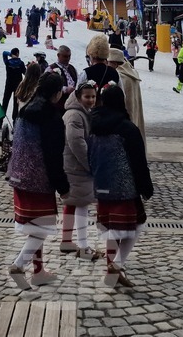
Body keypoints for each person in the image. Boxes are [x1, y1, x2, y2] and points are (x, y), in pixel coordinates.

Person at [6, 72, 69, 290]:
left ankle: (39, 270)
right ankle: (19, 264)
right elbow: (54, 156)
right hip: (39, 181)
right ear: (58, 93)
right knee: (41, 229)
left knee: (35, 226)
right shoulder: (52, 119)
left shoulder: (24, 112)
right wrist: (63, 187)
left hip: (18, 176)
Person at [90, 85, 154, 287]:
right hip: (125, 187)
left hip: (101, 184)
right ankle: (116, 265)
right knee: (135, 226)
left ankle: (112, 274)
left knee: (111, 229)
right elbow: (138, 161)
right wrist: (146, 187)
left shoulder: (94, 125)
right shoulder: (127, 128)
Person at [60, 82, 100, 259]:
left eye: (93, 96)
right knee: (82, 205)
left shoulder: (82, 112)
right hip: (77, 167)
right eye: (87, 97)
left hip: (75, 166)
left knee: (72, 203)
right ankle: (83, 247)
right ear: (78, 97)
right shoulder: (75, 115)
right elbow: (77, 143)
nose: (91, 100)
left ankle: (67, 240)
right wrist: (91, 164)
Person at [109, 48, 146, 144]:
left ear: (115, 63)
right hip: (134, 113)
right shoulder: (132, 73)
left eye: (108, 62)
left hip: (125, 118)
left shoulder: (120, 76)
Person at [2, 47, 26, 114]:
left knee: (5, 101)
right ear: (18, 53)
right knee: (16, 103)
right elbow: (25, 73)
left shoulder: (8, 62)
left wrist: (10, 54)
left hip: (8, 84)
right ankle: (14, 119)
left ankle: (0, 119)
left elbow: (4, 53)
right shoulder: (21, 63)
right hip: (18, 85)